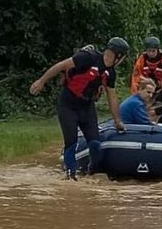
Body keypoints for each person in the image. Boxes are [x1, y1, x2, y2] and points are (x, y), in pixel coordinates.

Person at [29, 37, 129, 180]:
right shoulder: (88, 57)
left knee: (95, 143)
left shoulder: (110, 73)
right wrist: (41, 81)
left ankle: (93, 171)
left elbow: (112, 97)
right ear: (118, 55)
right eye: (123, 57)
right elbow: (60, 66)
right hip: (68, 104)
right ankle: (70, 174)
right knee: (71, 142)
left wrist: (117, 121)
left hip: (86, 107)